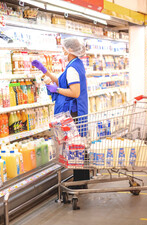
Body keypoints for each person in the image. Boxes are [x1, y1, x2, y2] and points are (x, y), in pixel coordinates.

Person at [32, 37, 89, 184]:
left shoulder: (72, 68)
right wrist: (45, 71)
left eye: (64, 47)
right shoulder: (74, 64)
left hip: (74, 113)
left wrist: (56, 89)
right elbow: (62, 81)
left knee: (76, 148)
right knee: (77, 147)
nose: (62, 49)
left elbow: (75, 92)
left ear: (70, 49)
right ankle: (81, 182)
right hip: (76, 111)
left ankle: (79, 184)